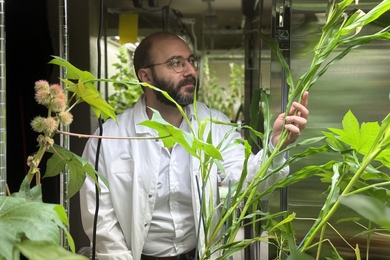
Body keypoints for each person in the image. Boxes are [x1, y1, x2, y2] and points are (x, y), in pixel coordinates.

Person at [79, 31, 309, 260]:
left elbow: (247, 182)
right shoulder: (109, 138)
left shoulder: (213, 126)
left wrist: (276, 149)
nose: (191, 71)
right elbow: (101, 221)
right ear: (146, 76)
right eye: (176, 63)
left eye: (191, 61)